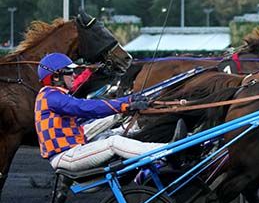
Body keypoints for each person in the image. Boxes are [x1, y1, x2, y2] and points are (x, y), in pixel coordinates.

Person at [34, 53, 170, 172]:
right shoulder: (50, 96)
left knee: (108, 135)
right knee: (112, 142)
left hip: (72, 149)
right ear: (56, 77)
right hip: (66, 156)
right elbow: (86, 107)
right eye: (69, 71)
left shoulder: (55, 96)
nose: (74, 75)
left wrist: (128, 101)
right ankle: (166, 151)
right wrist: (125, 104)